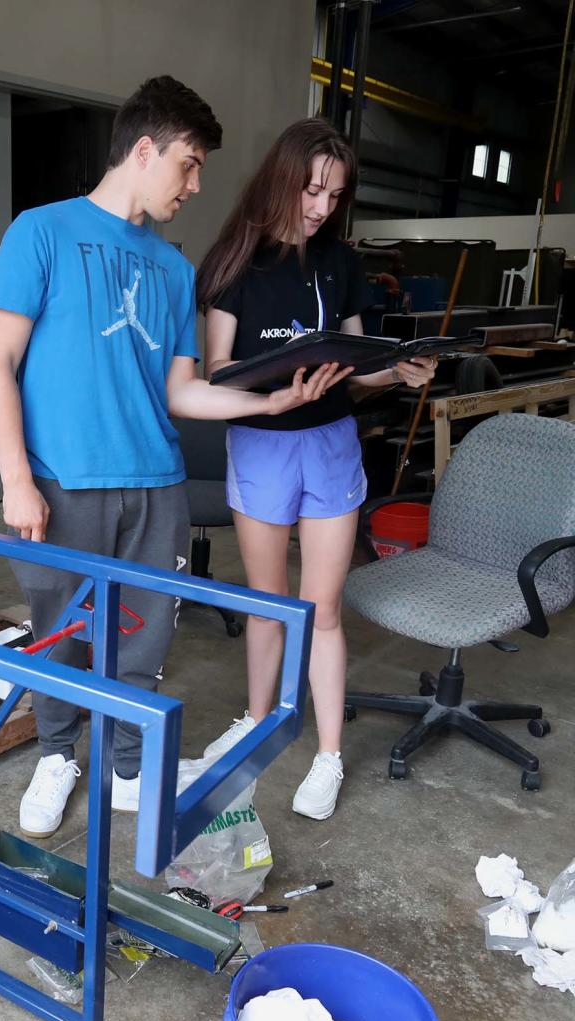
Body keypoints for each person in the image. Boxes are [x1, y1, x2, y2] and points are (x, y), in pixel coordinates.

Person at [0, 81, 347, 839]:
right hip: (61, 481)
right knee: (61, 630)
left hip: (156, 485)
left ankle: (124, 764)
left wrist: (264, 404)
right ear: (144, 151)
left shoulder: (175, 271)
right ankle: (57, 754)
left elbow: (184, 390)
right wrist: (17, 478)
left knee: (142, 637)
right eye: (189, 164)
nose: (196, 183)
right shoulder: (40, 233)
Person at [196, 117, 437, 822]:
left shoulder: (343, 264)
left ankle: (327, 755)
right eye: (312, 190)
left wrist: (399, 372)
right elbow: (215, 372)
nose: (322, 208)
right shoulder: (233, 263)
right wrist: (274, 387)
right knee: (269, 603)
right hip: (262, 444)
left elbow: (359, 372)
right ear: (282, 178)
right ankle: (257, 718)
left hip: (331, 441)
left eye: (335, 196)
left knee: (322, 609)